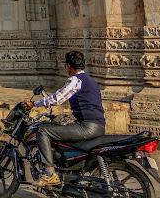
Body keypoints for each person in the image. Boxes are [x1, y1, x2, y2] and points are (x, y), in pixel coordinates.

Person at [22, 50, 105, 188]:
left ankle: (49, 174)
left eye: (66, 66)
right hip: (98, 126)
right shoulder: (92, 81)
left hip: (87, 127)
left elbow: (57, 98)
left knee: (43, 131)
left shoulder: (75, 80)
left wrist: (34, 104)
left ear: (68, 66)